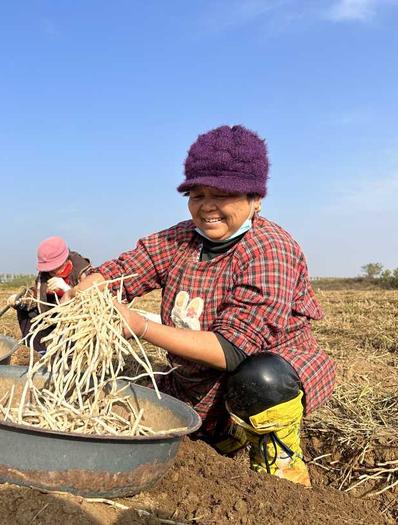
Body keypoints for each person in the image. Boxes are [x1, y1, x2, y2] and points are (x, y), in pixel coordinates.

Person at [65, 125, 335, 487]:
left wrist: (140, 327)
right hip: (194, 380)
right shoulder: (180, 239)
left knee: (261, 379)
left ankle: (278, 462)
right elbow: (124, 271)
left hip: (260, 376)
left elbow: (233, 350)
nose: (206, 207)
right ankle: (220, 435)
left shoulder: (270, 249)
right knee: (122, 402)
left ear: (256, 198)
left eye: (222, 195)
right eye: (197, 194)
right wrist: (87, 289)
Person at [8, 236, 91, 354]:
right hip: (52, 317)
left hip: (74, 321)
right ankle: (36, 353)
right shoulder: (44, 275)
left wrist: (67, 289)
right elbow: (37, 296)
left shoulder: (82, 271)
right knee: (24, 310)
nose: (50, 272)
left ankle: (69, 354)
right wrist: (21, 299)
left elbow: (91, 300)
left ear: (65, 260)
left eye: (54, 267)